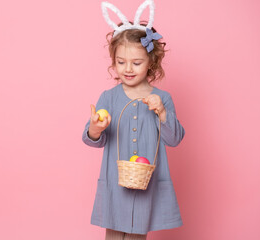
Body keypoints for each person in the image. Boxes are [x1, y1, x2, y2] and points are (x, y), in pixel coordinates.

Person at [82, 0, 185, 239]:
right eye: (121, 62)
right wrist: (95, 129)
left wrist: (162, 113)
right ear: (113, 62)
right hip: (116, 182)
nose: (128, 68)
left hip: (146, 183)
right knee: (114, 233)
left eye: (136, 63)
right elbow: (92, 139)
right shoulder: (108, 97)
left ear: (151, 63)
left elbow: (174, 139)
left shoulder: (162, 98)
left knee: (138, 233)